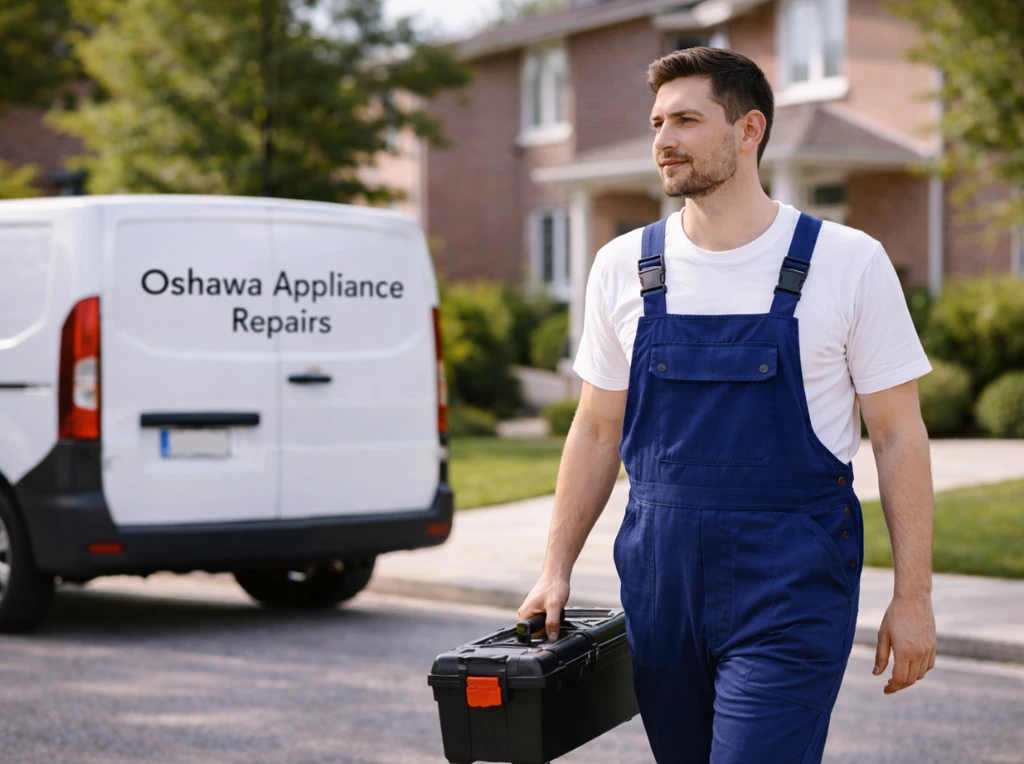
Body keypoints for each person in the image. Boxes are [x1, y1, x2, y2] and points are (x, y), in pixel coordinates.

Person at [517, 47, 937, 763]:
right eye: (656, 122)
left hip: (793, 580)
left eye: (685, 119)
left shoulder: (847, 261)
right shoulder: (623, 265)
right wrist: (555, 568)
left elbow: (899, 434)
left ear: (749, 131)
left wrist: (914, 596)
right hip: (660, 580)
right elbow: (595, 428)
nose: (663, 141)